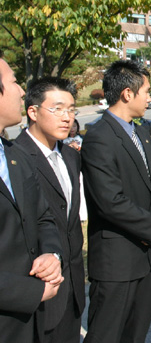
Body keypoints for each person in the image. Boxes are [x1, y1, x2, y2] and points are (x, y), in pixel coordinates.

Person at [81, 60, 151, 343]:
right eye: (146, 91)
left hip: (148, 257)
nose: (150, 98)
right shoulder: (99, 138)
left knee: (136, 334)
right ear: (127, 94)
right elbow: (110, 201)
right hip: (117, 261)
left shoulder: (141, 133)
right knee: (106, 335)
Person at [16, 78, 85, 343]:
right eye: (57, 109)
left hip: (72, 286)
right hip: (36, 287)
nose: (67, 117)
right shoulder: (15, 157)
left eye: (71, 109)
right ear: (33, 112)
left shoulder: (71, 155)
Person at [0, 59, 63, 342]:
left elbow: (42, 216)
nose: (22, 91)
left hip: (31, 322)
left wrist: (52, 254)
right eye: (14, 82)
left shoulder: (16, 155)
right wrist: (31, 291)